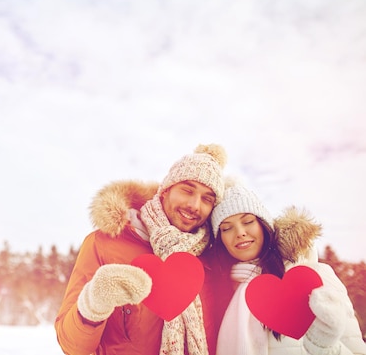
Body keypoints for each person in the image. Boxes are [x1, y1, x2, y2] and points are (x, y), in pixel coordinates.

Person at [54, 144, 231, 355]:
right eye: (187, 190)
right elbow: (71, 347)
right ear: (165, 191)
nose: (195, 205)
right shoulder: (104, 244)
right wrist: (93, 303)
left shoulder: (214, 256)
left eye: (207, 199)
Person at [210, 178, 366, 355]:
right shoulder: (222, 291)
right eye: (226, 228)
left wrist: (324, 347)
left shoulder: (315, 277)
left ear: (264, 226)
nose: (240, 233)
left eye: (248, 222)